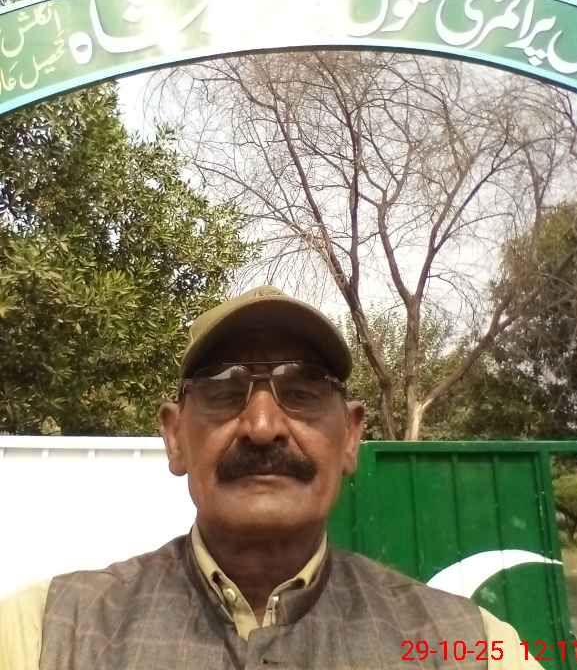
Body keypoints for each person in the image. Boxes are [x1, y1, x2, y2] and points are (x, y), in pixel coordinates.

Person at [0, 286, 544, 669]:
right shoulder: (44, 634)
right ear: (175, 437)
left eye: (302, 392)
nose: (262, 428)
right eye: (224, 391)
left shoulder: (471, 645)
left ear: (350, 437)